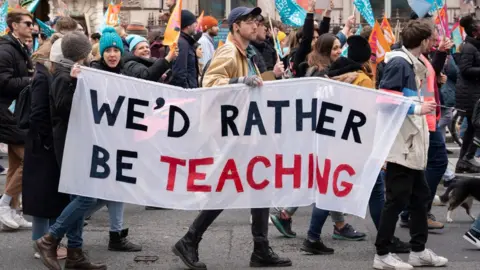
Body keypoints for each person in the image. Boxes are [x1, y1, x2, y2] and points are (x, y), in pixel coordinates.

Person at [172, 7, 292, 270]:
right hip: (237, 133)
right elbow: (210, 84)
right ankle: (190, 240)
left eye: (256, 21)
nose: (255, 25)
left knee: (259, 186)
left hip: (248, 131)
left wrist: (273, 77)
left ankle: (259, 249)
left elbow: (254, 88)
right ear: (236, 26)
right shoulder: (228, 51)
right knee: (231, 188)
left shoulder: (245, 53)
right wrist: (240, 80)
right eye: (250, 22)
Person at [373, 19, 448, 269]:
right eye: (432, 36)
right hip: (401, 144)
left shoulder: (413, 61)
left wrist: (425, 107)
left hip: (411, 141)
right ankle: (382, 255)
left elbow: (413, 94)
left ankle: (418, 250)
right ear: (423, 40)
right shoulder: (399, 62)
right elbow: (385, 99)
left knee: (419, 198)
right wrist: (419, 107)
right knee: (396, 200)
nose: (435, 40)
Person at [34, 31, 107, 270]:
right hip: (68, 145)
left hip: (74, 143)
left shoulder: (68, 72)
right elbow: (63, 108)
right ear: (83, 54)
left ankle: (75, 253)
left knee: (78, 197)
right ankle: (50, 238)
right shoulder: (64, 75)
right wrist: (74, 81)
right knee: (87, 197)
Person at [23, 33, 70, 260]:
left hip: (42, 144)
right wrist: (49, 141)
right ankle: (40, 243)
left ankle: (45, 241)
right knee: (42, 197)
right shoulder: (43, 77)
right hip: (42, 146)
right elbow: (39, 114)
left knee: (47, 195)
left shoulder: (43, 74)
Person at [0, 8, 34, 230]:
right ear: (14, 26)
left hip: (15, 110)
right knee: (29, 160)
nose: (32, 27)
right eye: (27, 24)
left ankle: (12, 209)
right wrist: (32, 80)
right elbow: (4, 82)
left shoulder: (18, 48)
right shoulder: (5, 50)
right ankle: (4, 205)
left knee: (15, 163)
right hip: (7, 111)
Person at [455, 15, 480, 173]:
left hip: (473, 93)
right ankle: (467, 157)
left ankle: (463, 161)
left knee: (472, 128)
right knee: (476, 127)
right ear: (474, 32)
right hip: (470, 95)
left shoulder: (474, 46)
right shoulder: (469, 47)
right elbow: (464, 69)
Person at [170, 10, 199, 88]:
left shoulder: (185, 42)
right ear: (188, 25)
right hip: (187, 94)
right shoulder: (182, 43)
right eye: (194, 23)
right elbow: (179, 73)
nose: (196, 26)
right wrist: (187, 92)